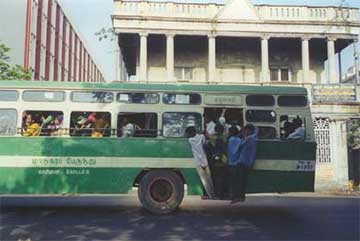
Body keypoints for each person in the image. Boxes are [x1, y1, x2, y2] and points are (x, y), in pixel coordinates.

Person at [185, 126, 216, 199]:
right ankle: (214, 194)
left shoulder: (190, 140)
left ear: (190, 133)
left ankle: (210, 196)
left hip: (198, 163)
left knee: (205, 181)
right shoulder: (202, 137)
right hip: (205, 161)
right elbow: (205, 142)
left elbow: (188, 137)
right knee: (210, 180)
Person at [231, 124, 258, 204]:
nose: (244, 132)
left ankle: (238, 197)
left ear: (249, 131)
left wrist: (241, 136)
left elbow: (240, 145)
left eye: (245, 130)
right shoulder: (254, 138)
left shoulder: (249, 138)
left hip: (243, 162)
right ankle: (240, 197)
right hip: (247, 162)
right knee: (242, 180)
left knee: (239, 180)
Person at [227, 125, 243, 200]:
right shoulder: (240, 140)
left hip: (231, 163)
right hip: (238, 163)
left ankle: (232, 195)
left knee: (232, 181)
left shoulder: (230, 140)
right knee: (237, 180)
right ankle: (237, 195)